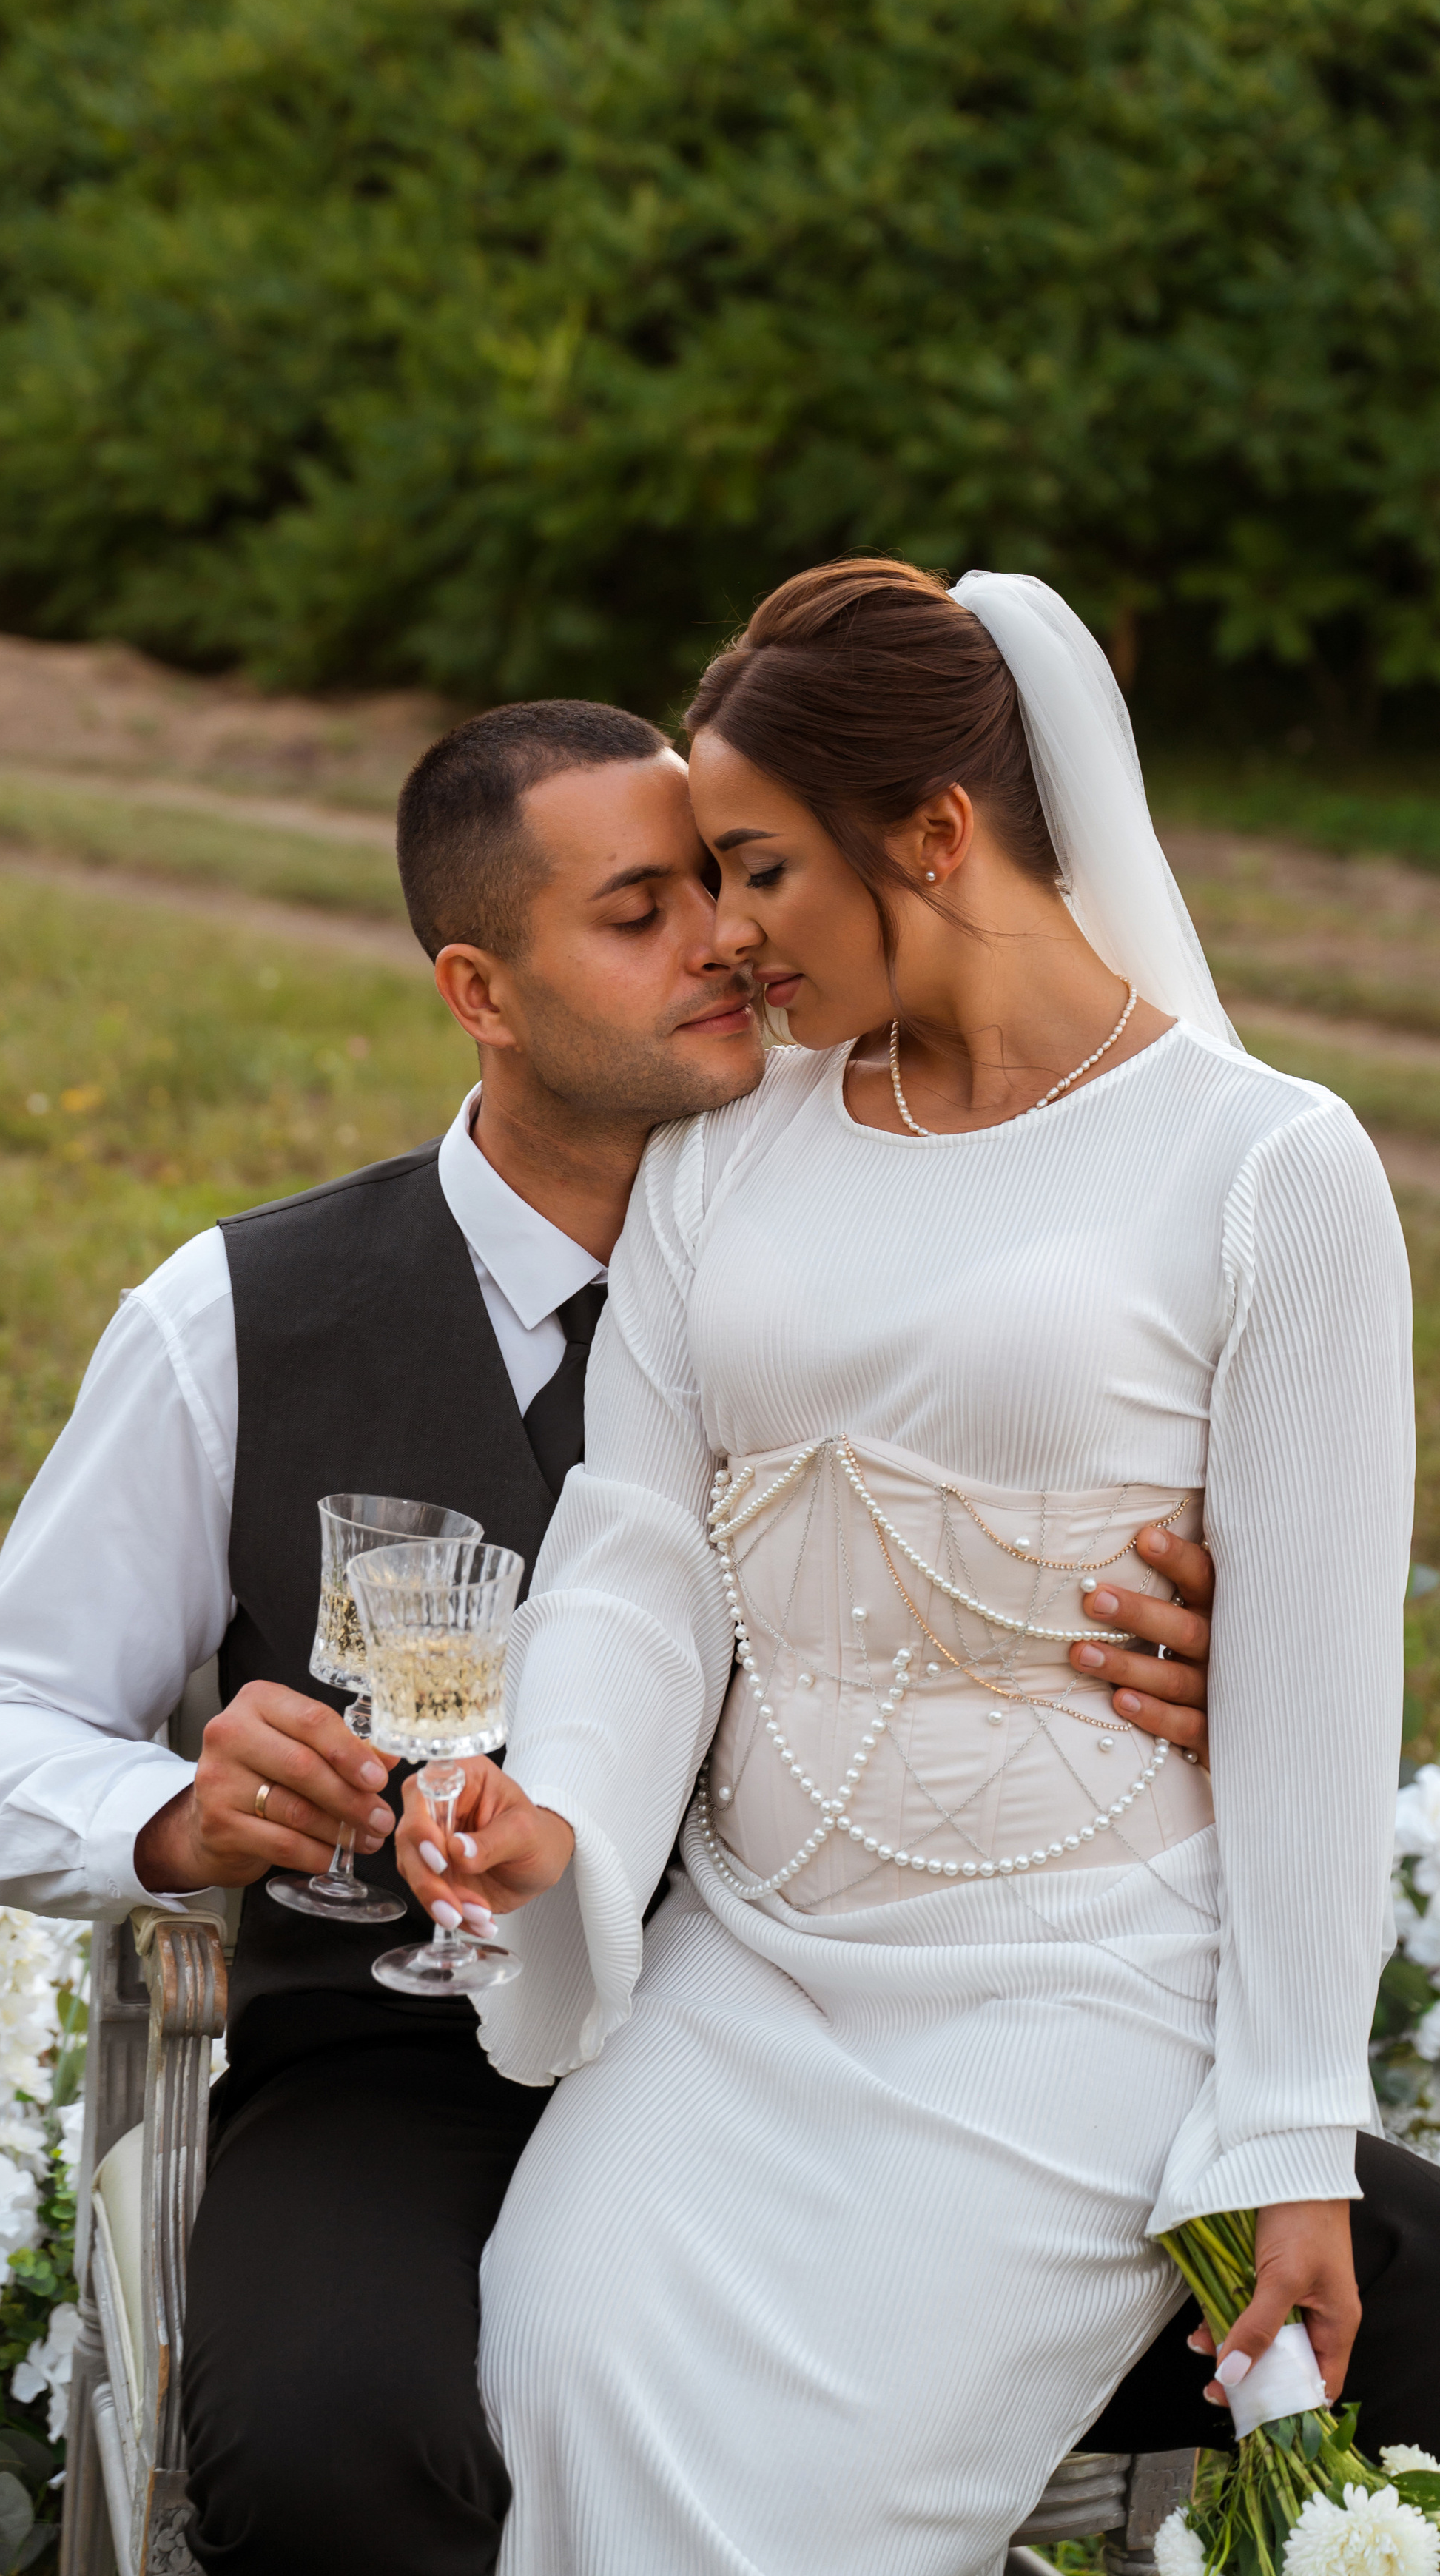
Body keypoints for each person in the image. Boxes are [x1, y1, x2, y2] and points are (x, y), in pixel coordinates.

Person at [0, 688, 1428, 2576]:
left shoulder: (923, 1181)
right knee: (331, 2453)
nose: (724, 937)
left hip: (918, 2002)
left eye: (726, 877)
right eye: (639, 911)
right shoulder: (237, 1318)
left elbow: (1141, 1449)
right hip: (405, 2062)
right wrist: (167, 1815)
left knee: (1401, 2301)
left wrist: (1184, 1657)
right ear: (478, 988)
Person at [397, 562, 1418, 2576]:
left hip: (1078, 1989)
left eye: (758, 869)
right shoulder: (729, 1150)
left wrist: (1291, 2129)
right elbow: (638, 1546)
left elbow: (1314, 1688)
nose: (726, 934)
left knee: (801, 2515)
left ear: (936, 834)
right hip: (752, 1963)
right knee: (558, 2358)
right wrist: (563, 1812)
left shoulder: (1268, 1170)